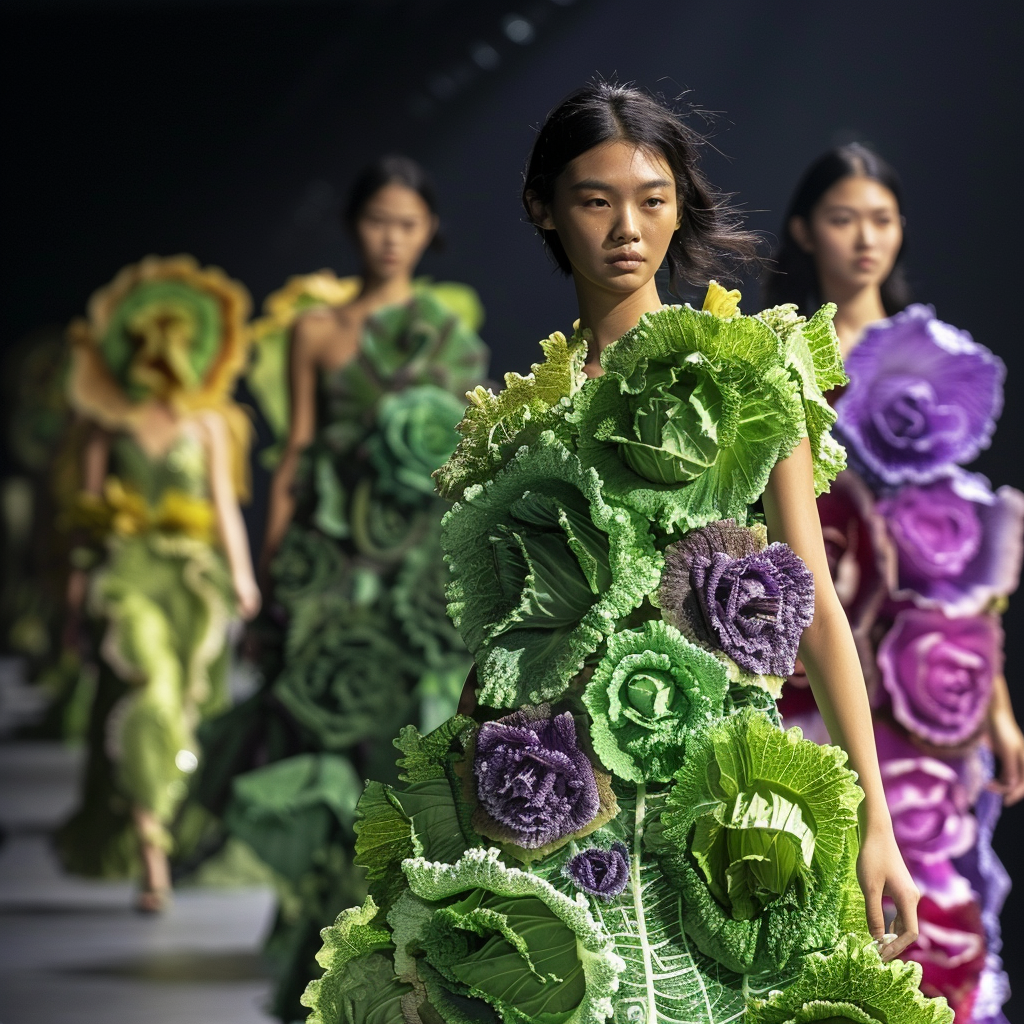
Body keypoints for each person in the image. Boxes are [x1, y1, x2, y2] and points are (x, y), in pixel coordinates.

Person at [298, 84, 953, 1024]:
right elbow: (508, 644)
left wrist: (877, 824)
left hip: (720, 799)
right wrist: (453, 807)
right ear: (545, 209)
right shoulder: (521, 422)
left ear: (680, 203)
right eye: (595, 199)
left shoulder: (748, 375)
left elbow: (814, 613)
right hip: (562, 793)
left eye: (651, 198)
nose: (626, 228)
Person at [189, 156, 489, 1020]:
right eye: (377, 221)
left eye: (407, 223)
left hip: (418, 565)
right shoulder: (315, 332)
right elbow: (295, 456)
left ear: (429, 231)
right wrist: (274, 570)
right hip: (334, 556)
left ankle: (386, 953)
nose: (391, 238)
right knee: (324, 733)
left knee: (401, 748)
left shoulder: (448, 332)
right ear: (355, 227)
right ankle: (317, 943)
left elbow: (466, 458)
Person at [767, 143, 1023, 1021]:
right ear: (804, 229)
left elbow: (965, 552)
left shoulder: (937, 364)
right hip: (811, 672)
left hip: (924, 676)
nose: (865, 238)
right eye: (843, 219)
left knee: (935, 886)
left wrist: (994, 700)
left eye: (881, 219)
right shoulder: (778, 362)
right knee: (823, 888)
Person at [56, 255, 260, 913]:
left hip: (195, 581)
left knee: (192, 705)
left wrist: (244, 577)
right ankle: (149, 838)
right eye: (149, 345)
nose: (162, 357)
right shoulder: (106, 427)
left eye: (175, 344)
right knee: (153, 686)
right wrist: (78, 581)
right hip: (128, 573)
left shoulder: (208, 426)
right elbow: (86, 513)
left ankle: (169, 824)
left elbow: (225, 508)